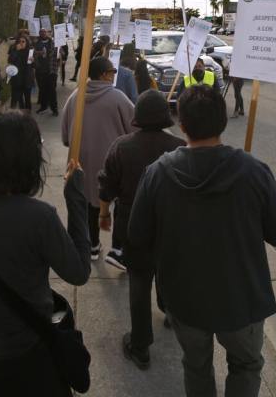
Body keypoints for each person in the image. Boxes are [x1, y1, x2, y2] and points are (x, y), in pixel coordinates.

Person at [128, 85, 276, 397]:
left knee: (195, 364)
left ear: (182, 124)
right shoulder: (254, 171)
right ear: (223, 121)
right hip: (242, 298)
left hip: (185, 297)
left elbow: (136, 238)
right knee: (245, 365)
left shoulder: (157, 174)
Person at [0, 113, 91, 396]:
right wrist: (76, 196)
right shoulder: (39, 217)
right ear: (28, 160)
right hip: (28, 361)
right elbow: (79, 271)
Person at [98, 90, 186, 369]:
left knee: (139, 281)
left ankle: (140, 345)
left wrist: (103, 214)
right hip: (170, 225)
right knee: (167, 272)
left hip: (132, 224)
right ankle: (170, 312)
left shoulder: (122, 146)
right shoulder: (180, 147)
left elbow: (107, 185)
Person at [61, 56, 135, 261]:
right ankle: (118, 249)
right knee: (120, 202)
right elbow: (135, 127)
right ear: (104, 74)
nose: (113, 76)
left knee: (88, 203)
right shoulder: (118, 97)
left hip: (81, 160)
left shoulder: (76, 96)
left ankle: (92, 245)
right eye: (112, 72)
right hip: (113, 161)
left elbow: (66, 134)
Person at [34, 29, 58, 115]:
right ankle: (43, 107)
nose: (43, 33)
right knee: (42, 90)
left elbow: (55, 53)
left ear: (47, 33)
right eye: (41, 32)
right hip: (40, 71)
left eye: (44, 32)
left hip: (50, 71)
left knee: (52, 91)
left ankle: (54, 109)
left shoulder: (52, 42)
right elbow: (33, 53)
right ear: (39, 34)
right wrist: (37, 53)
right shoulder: (37, 43)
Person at [7, 35, 33, 111]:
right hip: (17, 80)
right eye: (19, 41)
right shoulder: (14, 50)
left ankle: (28, 115)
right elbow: (10, 60)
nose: (21, 43)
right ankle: (20, 115)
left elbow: (35, 65)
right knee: (18, 99)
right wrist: (16, 51)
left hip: (27, 79)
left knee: (27, 99)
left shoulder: (30, 51)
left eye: (23, 41)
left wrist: (33, 61)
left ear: (26, 43)